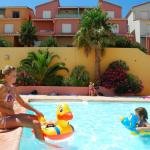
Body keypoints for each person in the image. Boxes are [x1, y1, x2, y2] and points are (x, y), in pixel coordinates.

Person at [0, 65, 44, 141]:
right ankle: (43, 145)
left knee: (36, 118)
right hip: (3, 120)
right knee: (36, 123)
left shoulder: (13, 88)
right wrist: (7, 111)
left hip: (11, 116)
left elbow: (22, 103)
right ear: (6, 76)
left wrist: (36, 111)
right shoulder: (1, 87)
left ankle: (38, 137)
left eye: (15, 75)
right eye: (13, 75)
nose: (15, 77)